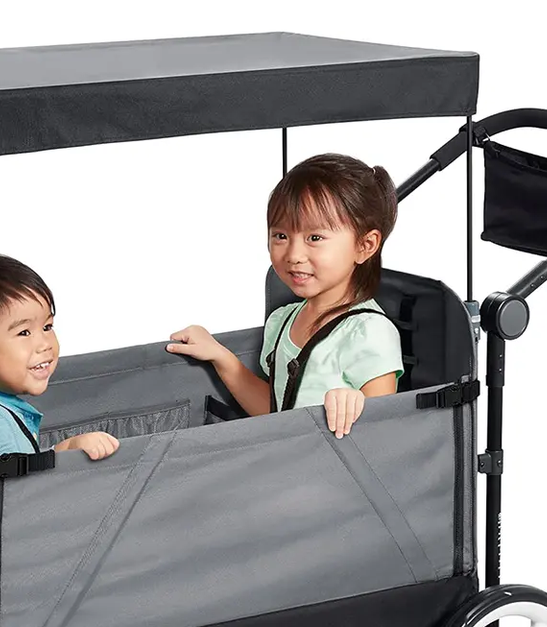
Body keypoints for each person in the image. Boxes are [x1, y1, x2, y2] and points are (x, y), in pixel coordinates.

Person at [167, 154, 402, 439]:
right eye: (281, 236)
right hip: (285, 462)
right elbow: (277, 412)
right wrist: (221, 356)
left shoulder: (369, 333)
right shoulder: (282, 321)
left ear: (365, 246)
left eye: (314, 238)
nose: (293, 255)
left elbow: (385, 438)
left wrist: (357, 407)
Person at [0, 254, 119, 459]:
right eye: (24, 332)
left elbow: (20, 470)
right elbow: (20, 480)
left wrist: (64, 449)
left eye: (47, 326)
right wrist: (67, 454)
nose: (44, 344)